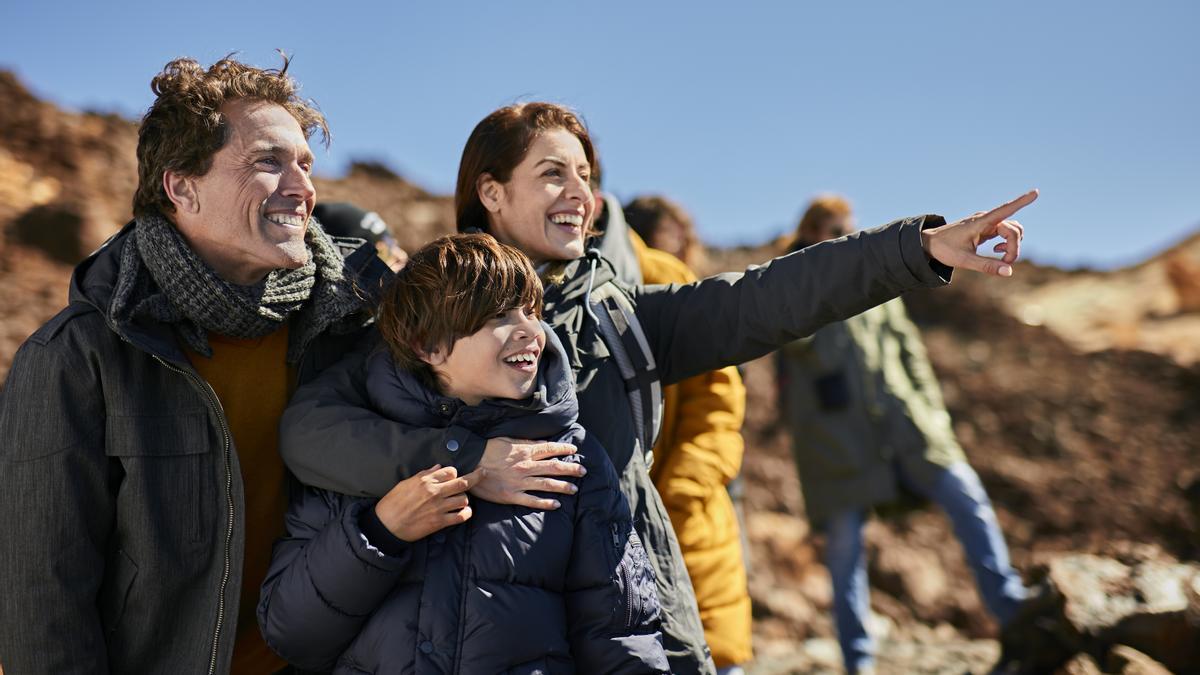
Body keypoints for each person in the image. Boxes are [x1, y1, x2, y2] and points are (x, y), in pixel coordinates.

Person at [280, 102, 1035, 675]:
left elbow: (771, 296)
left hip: (614, 623)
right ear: (492, 192)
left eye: (586, 175)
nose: (582, 191)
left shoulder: (626, 318)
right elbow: (314, 429)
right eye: (553, 173)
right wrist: (466, 460)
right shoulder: (421, 314)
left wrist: (919, 248)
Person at [0, 56, 393, 673]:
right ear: (181, 187)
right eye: (270, 161)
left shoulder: (350, 326)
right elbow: (42, 600)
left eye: (305, 163)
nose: (303, 187)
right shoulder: (79, 355)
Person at [258, 233, 669, 673]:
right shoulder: (355, 455)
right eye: (499, 316)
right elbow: (290, 633)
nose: (532, 332)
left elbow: (622, 642)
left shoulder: (573, 461)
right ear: (428, 346)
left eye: (531, 311)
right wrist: (379, 533)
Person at [776, 195, 1029, 675]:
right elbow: (793, 339)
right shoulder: (793, 285)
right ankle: (859, 663)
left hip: (908, 425)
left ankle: (1012, 612)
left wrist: (933, 414)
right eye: (831, 230)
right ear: (811, 235)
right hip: (835, 444)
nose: (842, 237)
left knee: (967, 498)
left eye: (846, 229)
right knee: (845, 554)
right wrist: (816, 275)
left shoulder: (876, 282)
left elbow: (910, 352)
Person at [607, 190, 753, 674]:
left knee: (708, 646)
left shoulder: (667, 279)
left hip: (684, 513)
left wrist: (681, 492)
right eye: (678, 233)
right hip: (644, 518)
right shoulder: (593, 278)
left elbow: (716, 407)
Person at [312, 201, 409, 271]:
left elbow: (385, 245)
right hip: (330, 219)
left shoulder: (386, 239)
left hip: (337, 212)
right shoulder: (380, 242)